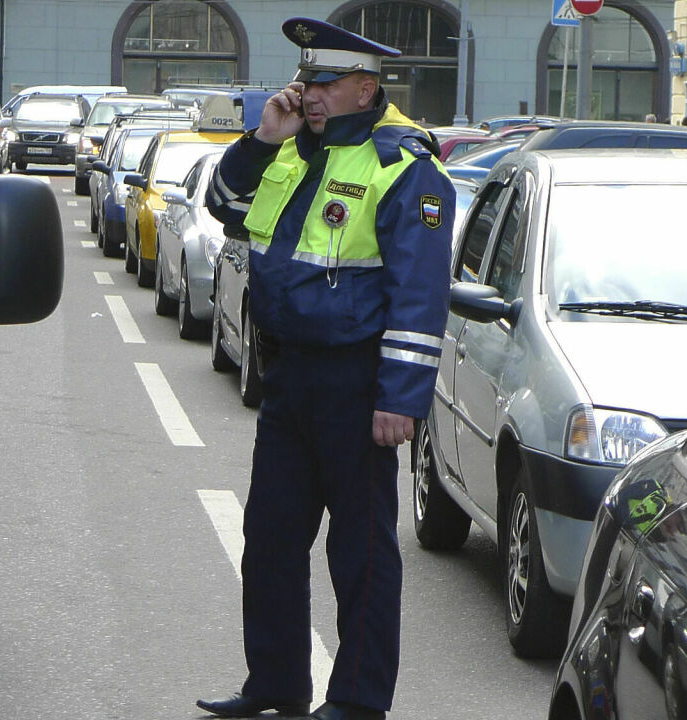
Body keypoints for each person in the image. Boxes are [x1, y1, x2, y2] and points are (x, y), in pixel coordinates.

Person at [197, 16, 455, 720]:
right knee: (272, 540)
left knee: (362, 556)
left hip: (357, 383)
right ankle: (276, 684)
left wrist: (399, 398)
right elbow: (226, 207)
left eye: (324, 82)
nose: (307, 92)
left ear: (366, 87)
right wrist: (260, 139)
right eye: (305, 78)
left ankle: (358, 702)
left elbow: (419, 297)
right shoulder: (293, 151)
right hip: (289, 377)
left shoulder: (406, 168)